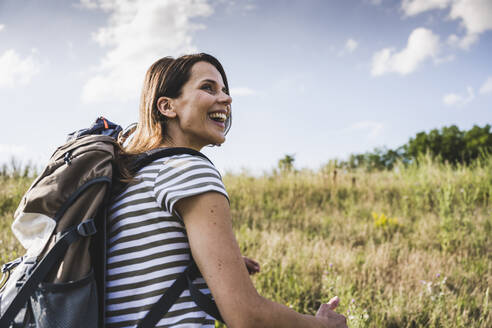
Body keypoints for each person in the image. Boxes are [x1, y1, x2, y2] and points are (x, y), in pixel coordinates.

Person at [106, 53, 347, 328]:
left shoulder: (131, 177)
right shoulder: (188, 170)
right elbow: (247, 316)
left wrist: (206, 262)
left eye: (224, 90)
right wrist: (322, 325)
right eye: (208, 88)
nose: (226, 99)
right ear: (167, 106)